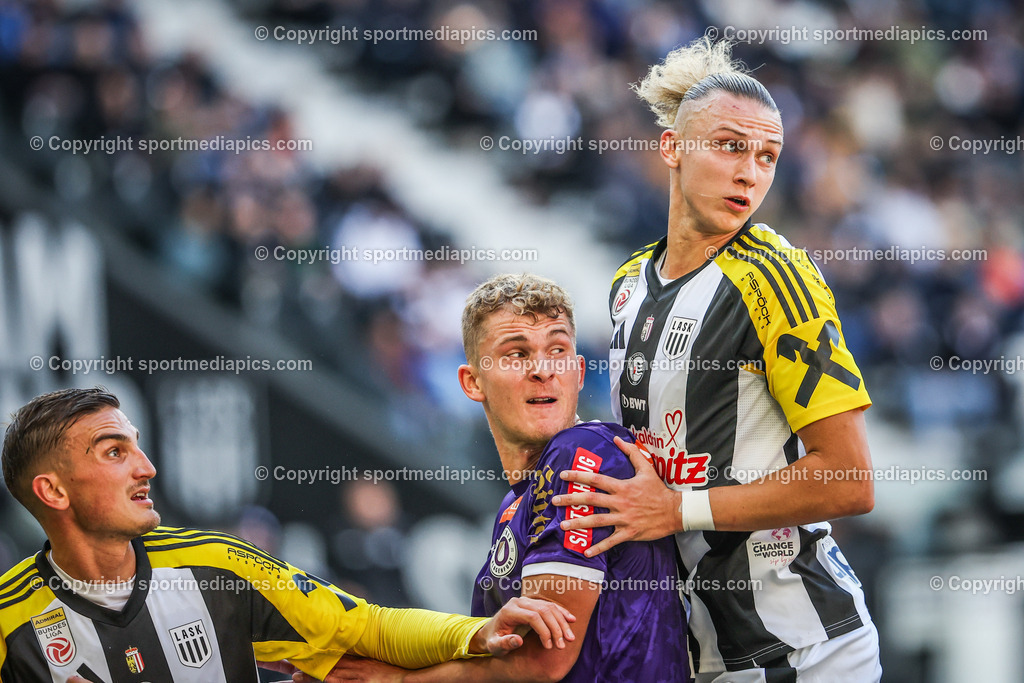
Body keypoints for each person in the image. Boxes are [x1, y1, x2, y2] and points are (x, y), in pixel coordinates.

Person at [552, 37, 883, 682]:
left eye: (768, 157)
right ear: (672, 148)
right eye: (731, 146)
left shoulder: (778, 280)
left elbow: (848, 479)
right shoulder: (627, 287)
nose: (750, 173)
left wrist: (678, 511)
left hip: (805, 650)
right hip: (694, 655)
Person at [0, 388, 576, 682]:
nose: (147, 466)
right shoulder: (9, 623)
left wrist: (477, 634)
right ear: (54, 492)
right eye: (115, 452)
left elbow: (367, 626)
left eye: (138, 445)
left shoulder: (219, 567)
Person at [313, 273, 688, 682]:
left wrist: (397, 680)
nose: (543, 370)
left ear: (580, 372)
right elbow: (500, 661)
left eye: (558, 349)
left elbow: (543, 662)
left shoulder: (583, 452)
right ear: (473, 383)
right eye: (517, 354)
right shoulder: (516, 503)